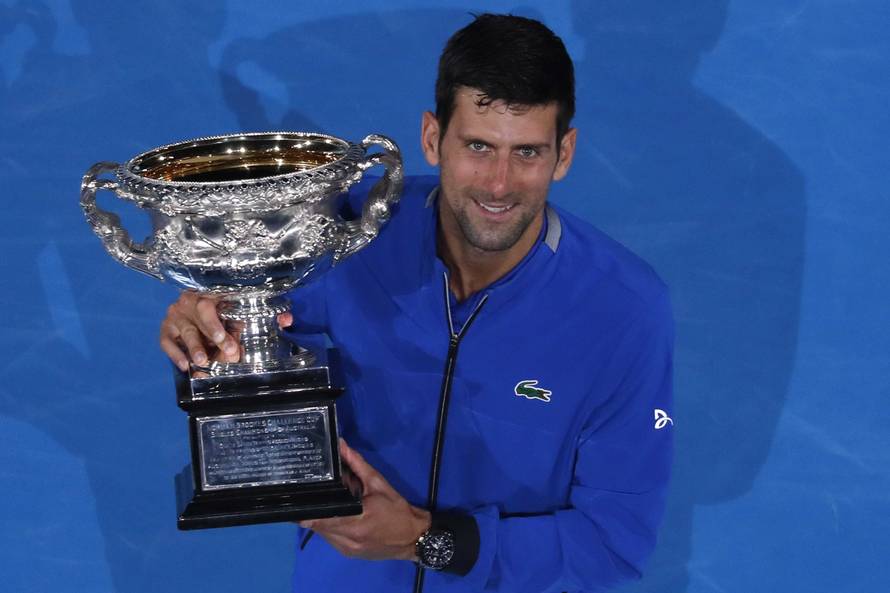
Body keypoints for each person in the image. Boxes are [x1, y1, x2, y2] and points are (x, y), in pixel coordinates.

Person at [160, 14, 673, 593]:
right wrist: (209, 327)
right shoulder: (348, 233)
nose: (499, 184)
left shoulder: (624, 309)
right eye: (477, 146)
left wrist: (425, 540)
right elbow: (258, 355)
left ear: (565, 153)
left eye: (527, 153)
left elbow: (613, 544)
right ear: (432, 138)